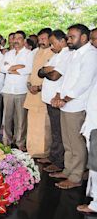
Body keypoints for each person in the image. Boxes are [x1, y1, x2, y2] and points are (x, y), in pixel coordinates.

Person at [50, 24, 97, 189]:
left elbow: (83, 82)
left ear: (83, 37)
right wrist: (57, 95)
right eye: (68, 37)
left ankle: (76, 177)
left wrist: (66, 98)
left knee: (76, 144)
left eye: (72, 37)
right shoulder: (73, 54)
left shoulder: (90, 55)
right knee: (68, 142)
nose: (68, 40)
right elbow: (64, 78)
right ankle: (68, 170)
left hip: (76, 105)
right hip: (65, 104)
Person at [38, 29, 72, 173]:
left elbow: (54, 76)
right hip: (49, 99)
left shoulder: (67, 55)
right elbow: (41, 72)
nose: (51, 46)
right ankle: (53, 157)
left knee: (58, 132)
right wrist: (47, 69)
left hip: (57, 99)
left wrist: (47, 70)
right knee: (54, 131)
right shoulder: (56, 55)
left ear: (62, 41)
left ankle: (59, 162)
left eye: (53, 43)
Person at [24, 28, 55, 158]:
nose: (41, 41)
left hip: (44, 94)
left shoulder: (54, 53)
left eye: (44, 39)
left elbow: (53, 76)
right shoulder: (36, 52)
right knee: (32, 124)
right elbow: (32, 72)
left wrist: (39, 87)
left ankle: (43, 153)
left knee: (43, 126)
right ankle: (31, 150)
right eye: (40, 39)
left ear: (50, 39)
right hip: (32, 93)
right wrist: (30, 84)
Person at [1, 31, 33, 151]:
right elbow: (2, 68)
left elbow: (28, 69)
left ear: (24, 41)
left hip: (21, 90)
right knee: (7, 118)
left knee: (21, 119)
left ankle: (20, 142)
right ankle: (6, 141)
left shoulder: (29, 54)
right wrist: (17, 67)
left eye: (19, 38)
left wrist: (10, 68)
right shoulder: (8, 53)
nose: (16, 40)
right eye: (14, 38)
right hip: (8, 89)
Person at [77, 28, 97, 214]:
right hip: (92, 120)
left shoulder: (90, 56)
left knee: (96, 162)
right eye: (92, 39)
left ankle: (95, 204)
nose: (93, 42)